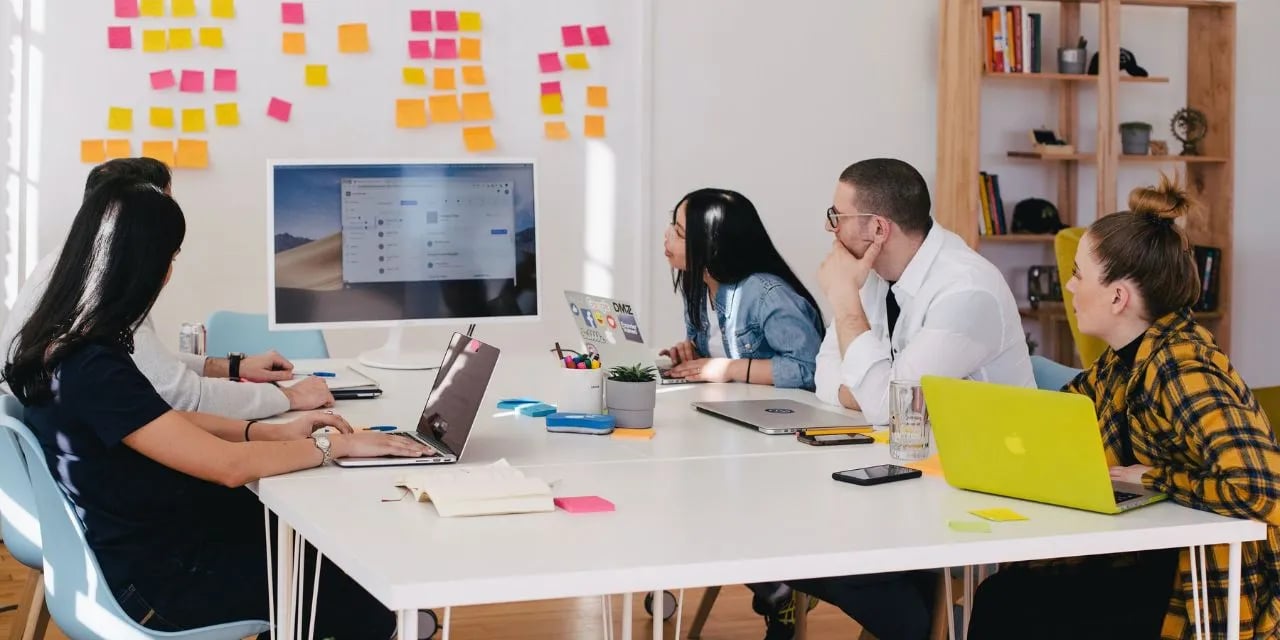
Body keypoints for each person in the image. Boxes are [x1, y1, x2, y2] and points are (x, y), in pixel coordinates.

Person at [2, 177, 433, 636]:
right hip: (155, 586)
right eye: (171, 256)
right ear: (148, 265)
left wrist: (268, 431)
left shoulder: (60, 344)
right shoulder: (92, 366)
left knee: (305, 551)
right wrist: (336, 447)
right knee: (354, 590)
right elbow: (227, 467)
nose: (170, 272)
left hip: (137, 553)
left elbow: (158, 423)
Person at [967, 175, 1280, 640]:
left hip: (1197, 585)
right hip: (1149, 557)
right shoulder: (1124, 359)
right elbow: (1065, 414)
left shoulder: (1181, 368)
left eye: (1077, 274)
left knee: (1009, 606)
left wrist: (1152, 478)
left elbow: (1264, 488)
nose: (1069, 287)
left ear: (1118, 296)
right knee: (1003, 594)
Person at [782, 159, 1034, 640]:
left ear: (878, 228)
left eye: (837, 216)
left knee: (816, 550)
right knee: (787, 534)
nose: (829, 229)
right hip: (908, 467)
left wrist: (844, 302)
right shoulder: (876, 276)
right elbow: (825, 372)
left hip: (973, 485)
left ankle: (921, 627)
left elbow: (891, 406)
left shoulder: (965, 291)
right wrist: (875, 386)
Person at [0, 157, 332, 419]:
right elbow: (181, 397)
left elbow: (141, 363)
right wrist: (288, 398)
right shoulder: (102, 290)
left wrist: (231, 367)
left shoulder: (66, 267)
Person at [659, 188, 824, 390]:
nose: (667, 236)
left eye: (679, 232)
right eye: (672, 225)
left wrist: (728, 369)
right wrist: (694, 354)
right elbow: (720, 350)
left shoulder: (767, 294)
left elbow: (809, 369)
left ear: (713, 246)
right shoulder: (698, 285)